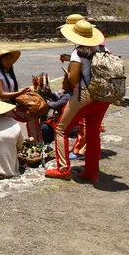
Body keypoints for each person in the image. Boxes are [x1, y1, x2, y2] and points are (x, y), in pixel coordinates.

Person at [45, 20, 110, 183]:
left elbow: (73, 78)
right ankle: (92, 172)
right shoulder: (104, 49)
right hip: (104, 95)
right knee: (94, 134)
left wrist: (72, 72)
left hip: (85, 95)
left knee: (60, 129)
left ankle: (63, 168)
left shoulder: (78, 52)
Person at [0, 49, 38, 141]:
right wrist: (20, 92)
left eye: (10, 59)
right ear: (0, 61)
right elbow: (1, 95)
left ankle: (32, 141)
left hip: (10, 104)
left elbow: (11, 91)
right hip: (3, 106)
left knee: (33, 112)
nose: (9, 61)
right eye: (6, 59)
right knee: (31, 116)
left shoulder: (8, 72)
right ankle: (35, 142)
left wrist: (25, 91)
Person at [41, 67, 73, 147]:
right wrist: (50, 94)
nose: (62, 82)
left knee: (45, 127)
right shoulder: (68, 93)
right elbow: (58, 98)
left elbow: (56, 105)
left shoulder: (69, 95)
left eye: (64, 80)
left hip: (68, 124)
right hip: (67, 121)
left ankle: (48, 145)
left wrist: (45, 103)